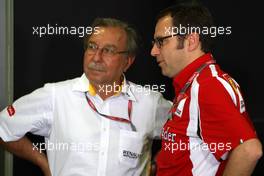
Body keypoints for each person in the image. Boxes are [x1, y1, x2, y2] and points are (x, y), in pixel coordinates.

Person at [0, 18, 171, 176]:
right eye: (92, 47)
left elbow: (189, 134)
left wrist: (158, 164)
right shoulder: (56, 96)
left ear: (127, 61)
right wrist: (43, 163)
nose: (96, 57)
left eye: (108, 50)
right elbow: (3, 129)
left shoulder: (150, 103)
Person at [151, 3, 262, 176]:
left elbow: (249, 150)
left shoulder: (207, 85)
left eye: (161, 41)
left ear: (191, 41)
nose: (153, 51)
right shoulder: (197, 81)